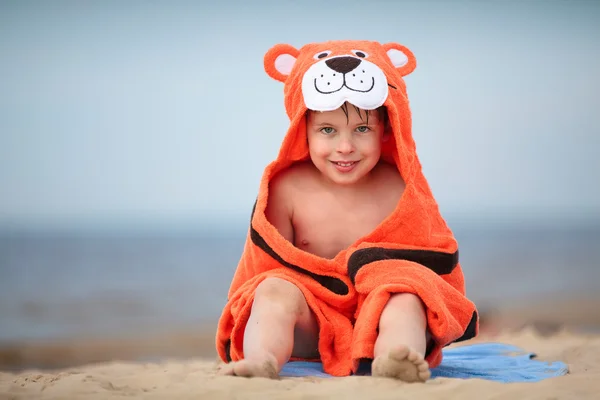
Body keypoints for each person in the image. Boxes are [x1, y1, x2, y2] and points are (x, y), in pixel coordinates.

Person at [215, 40, 479, 382]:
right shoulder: (287, 190)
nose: (345, 147)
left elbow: (432, 261)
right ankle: (262, 358)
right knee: (274, 289)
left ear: (385, 128)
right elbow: (263, 268)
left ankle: (394, 358)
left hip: (380, 317)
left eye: (362, 129)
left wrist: (404, 285)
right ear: (302, 131)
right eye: (327, 130)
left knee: (406, 293)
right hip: (314, 326)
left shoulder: (401, 187)